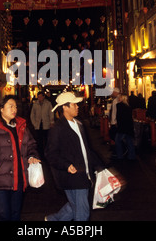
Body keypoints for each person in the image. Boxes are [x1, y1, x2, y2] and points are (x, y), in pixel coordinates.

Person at [45, 92, 104, 221]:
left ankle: (53, 220)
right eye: (74, 104)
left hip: (84, 172)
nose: (77, 107)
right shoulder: (58, 129)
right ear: (65, 107)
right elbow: (51, 154)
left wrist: (100, 166)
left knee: (75, 206)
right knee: (82, 212)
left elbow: (86, 149)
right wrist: (66, 165)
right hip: (73, 176)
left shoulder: (79, 124)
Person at [30, 91, 54, 158]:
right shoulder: (35, 104)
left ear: (43, 97)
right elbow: (32, 115)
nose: (39, 98)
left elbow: (51, 113)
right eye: (38, 97)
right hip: (38, 125)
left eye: (41, 96)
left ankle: (47, 153)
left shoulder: (48, 104)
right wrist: (34, 123)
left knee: (46, 140)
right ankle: (40, 154)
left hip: (46, 125)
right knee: (39, 140)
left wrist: (51, 122)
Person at [115, 95, 136, 160]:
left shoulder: (119, 105)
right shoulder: (128, 107)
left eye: (120, 97)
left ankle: (119, 156)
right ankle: (131, 156)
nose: (119, 98)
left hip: (122, 127)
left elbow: (119, 117)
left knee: (118, 140)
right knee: (129, 141)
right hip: (129, 127)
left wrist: (117, 124)